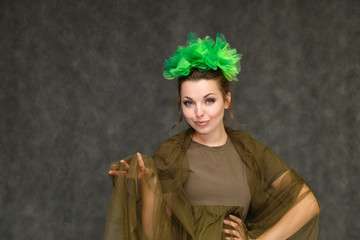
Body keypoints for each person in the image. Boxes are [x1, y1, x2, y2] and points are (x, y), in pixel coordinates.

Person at [104, 33, 321, 240]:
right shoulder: (171, 154)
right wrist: (148, 184)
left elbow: (308, 205)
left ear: (226, 100)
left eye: (209, 100)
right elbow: (156, 236)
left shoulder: (251, 153)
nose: (199, 113)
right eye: (189, 103)